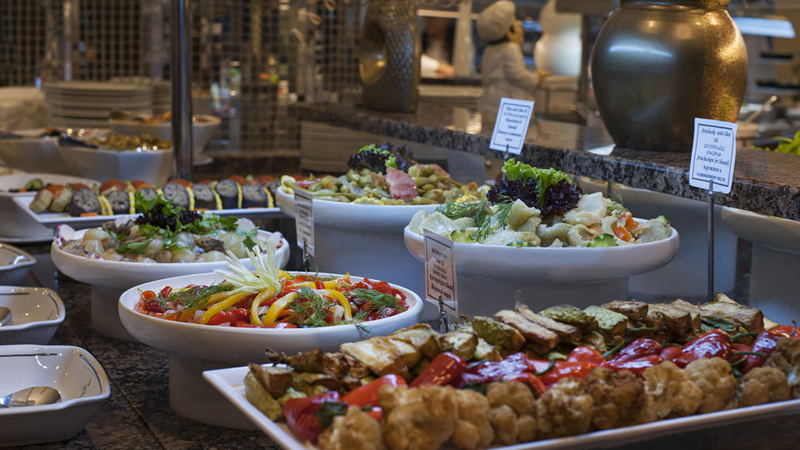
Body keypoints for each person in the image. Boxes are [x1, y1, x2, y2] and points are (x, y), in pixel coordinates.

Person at [477, 0, 547, 130]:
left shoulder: (489, 50)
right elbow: (518, 76)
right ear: (509, 31)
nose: (521, 29)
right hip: (508, 103)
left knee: (489, 133)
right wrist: (537, 78)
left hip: (490, 100)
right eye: (517, 26)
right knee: (509, 134)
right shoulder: (511, 48)